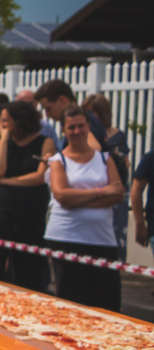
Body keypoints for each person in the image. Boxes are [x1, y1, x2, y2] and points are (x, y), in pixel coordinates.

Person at [45, 105, 125, 311]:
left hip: (101, 239)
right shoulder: (58, 160)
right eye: (71, 127)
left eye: (81, 126)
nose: (77, 131)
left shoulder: (105, 159)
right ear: (64, 130)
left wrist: (77, 198)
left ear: (89, 126)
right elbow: (61, 195)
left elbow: (117, 193)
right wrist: (100, 192)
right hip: (66, 237)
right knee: (71, 303)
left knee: (107, 303)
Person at [0, 100, 54, 292]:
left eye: (6, 120)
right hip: (1, 212)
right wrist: (5, 140)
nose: (2, 124)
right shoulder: (1, 142)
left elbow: (40, 177)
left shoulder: (44, 142)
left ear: (20, 120)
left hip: (30, 213)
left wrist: (6, 181)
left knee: (28, 267)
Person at [83, 93, 130, 252]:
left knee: (115, 231)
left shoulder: (117, 135)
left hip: (114, 188)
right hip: (95, 189)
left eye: (92, 112)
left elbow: (125, 164)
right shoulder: (85, 135)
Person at [36, 79, 104, 151]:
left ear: (62, 100)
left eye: (48, 108)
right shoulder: (84, 118)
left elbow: (94, 149)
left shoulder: (83, 120)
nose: (47, 114)